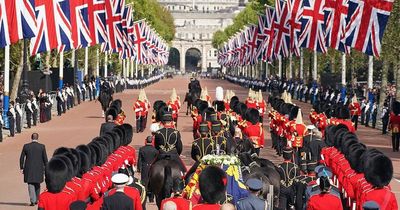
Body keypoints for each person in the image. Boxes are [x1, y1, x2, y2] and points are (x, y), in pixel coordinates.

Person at [19, 133, 48, 206]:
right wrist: (46, 168)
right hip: (39, 168)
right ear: (37, 138)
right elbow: (45, 159)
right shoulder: (42, 146)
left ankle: (33, 200)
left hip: (28, 168)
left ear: (31, 138)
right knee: (37, 184)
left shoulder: (26, 146)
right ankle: (37, 200)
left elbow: (22, 157)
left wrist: (21, 167)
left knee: (30, 183)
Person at [138, 136, 158, 202]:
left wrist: (139, 168)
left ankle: (144, 196)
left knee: (144, 182)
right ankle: (151, 198)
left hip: (144, 167)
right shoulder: (155, 150)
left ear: (146, 141)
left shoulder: (142, 149)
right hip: (152, 167)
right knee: (152, 182)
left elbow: (139, 160)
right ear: (152, 141)